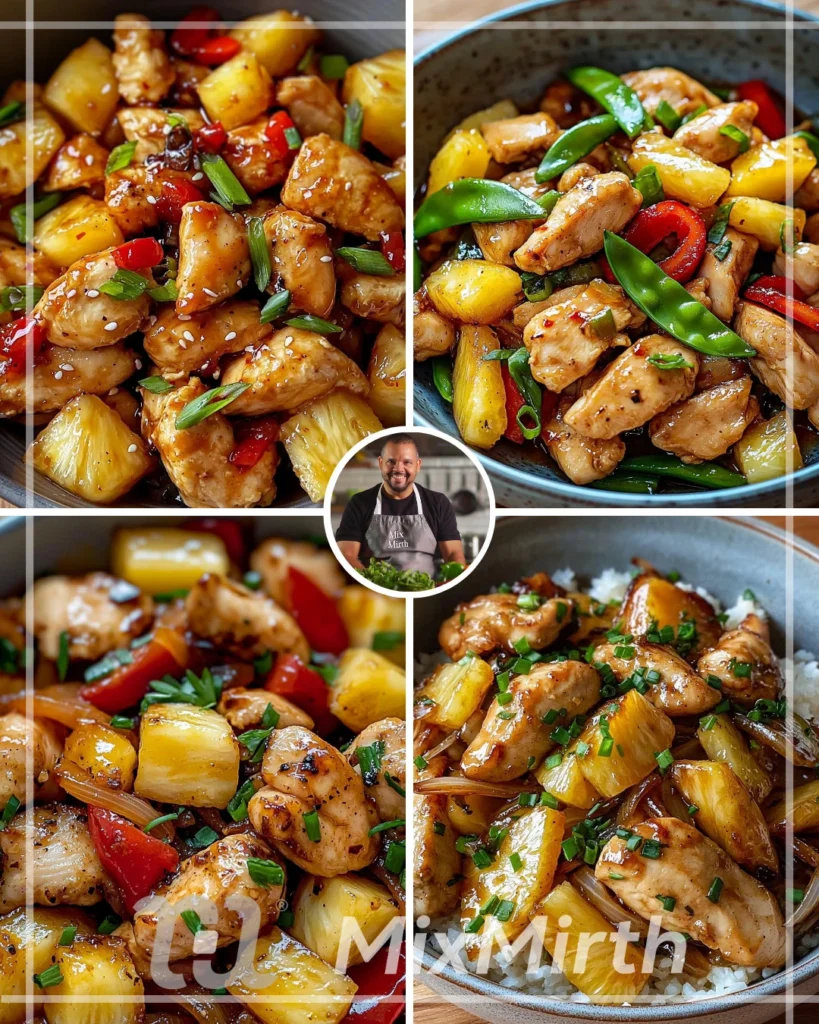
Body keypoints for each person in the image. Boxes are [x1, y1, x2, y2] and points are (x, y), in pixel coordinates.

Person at [335, 434, 466, 577]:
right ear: (380, 463)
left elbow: (453, 553)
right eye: (391, 461)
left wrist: (454, 578)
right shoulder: (359, 503)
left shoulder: (438, 502)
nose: (398, 469)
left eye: (407, 462)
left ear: (418, 465)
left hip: (427, 587)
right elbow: (346, 555)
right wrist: (372, 583)